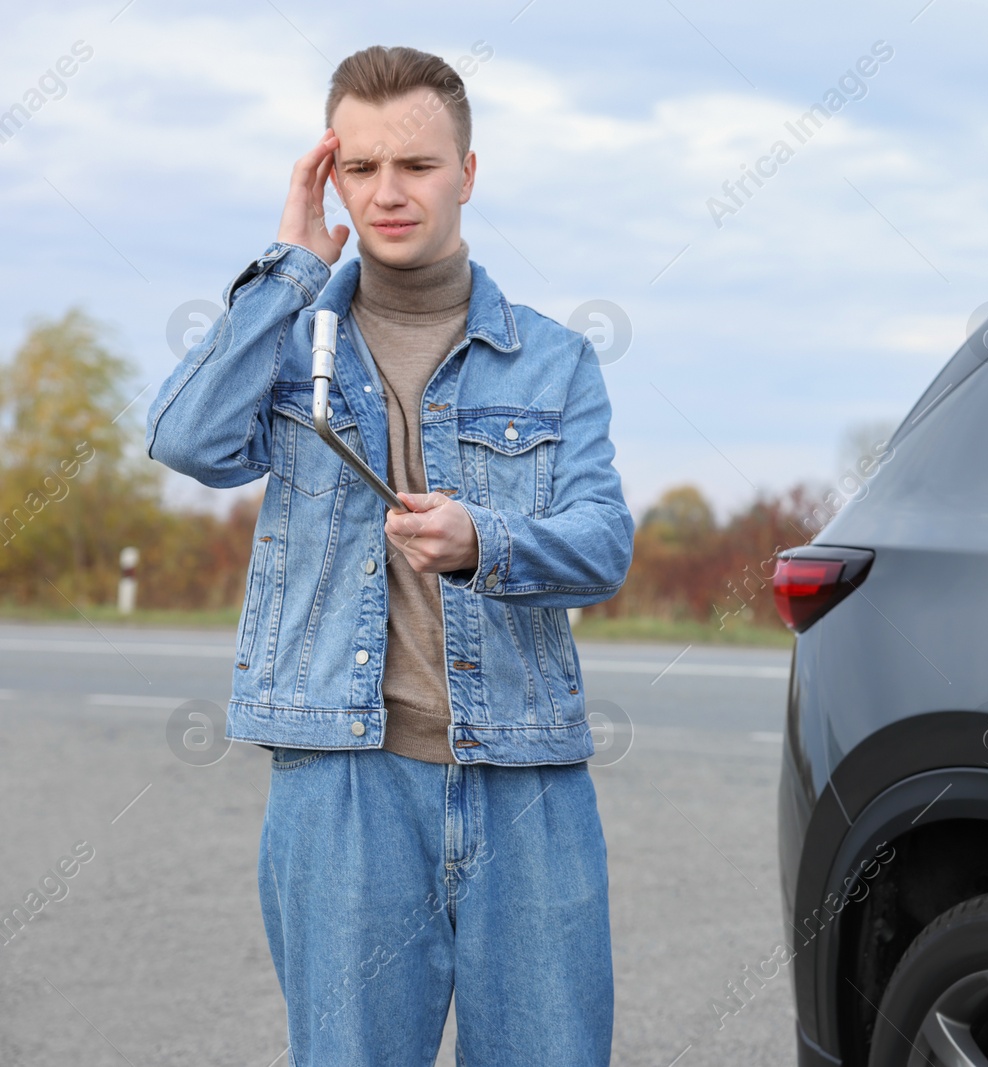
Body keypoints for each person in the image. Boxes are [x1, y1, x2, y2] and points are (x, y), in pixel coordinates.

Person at [145, 43, 633, 1066]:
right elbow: (187, 439)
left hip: (525, 782)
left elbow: (602, 545)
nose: (387, 192)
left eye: (415, 164)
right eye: (358, 167)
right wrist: (289, 267)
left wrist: (482, 539)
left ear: (467, 172)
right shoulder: (285, 342)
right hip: (342, 784)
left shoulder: (552, 357)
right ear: (329, 178)